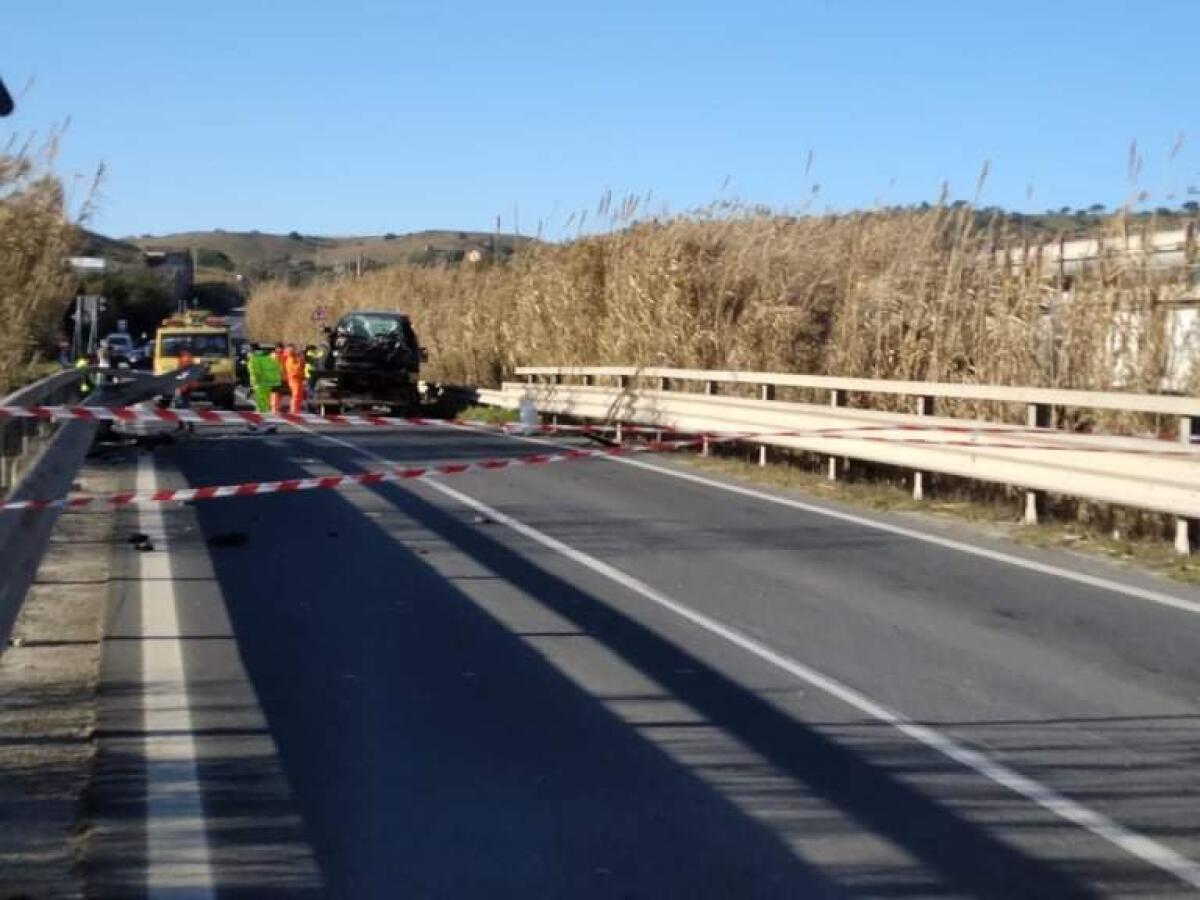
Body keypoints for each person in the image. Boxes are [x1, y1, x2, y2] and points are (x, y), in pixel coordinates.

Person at [246, 344, 281, 416]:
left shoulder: (253, 359)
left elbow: (254, 372)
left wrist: (252, 385)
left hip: (259, 383)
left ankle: (263, 418)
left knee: (261, 402)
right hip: (270, 383)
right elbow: (278, 368)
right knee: (265, 401)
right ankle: (266, 417)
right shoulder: (268, 357)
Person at [283, 343, 306, 414]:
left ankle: (295, 410)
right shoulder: (290, 358)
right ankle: (294, 411)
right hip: (294, 379)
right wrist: (300, 361)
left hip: (297, 379)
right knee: (296, 395)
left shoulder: (293, 358)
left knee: (298, 396)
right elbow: (295, 370)